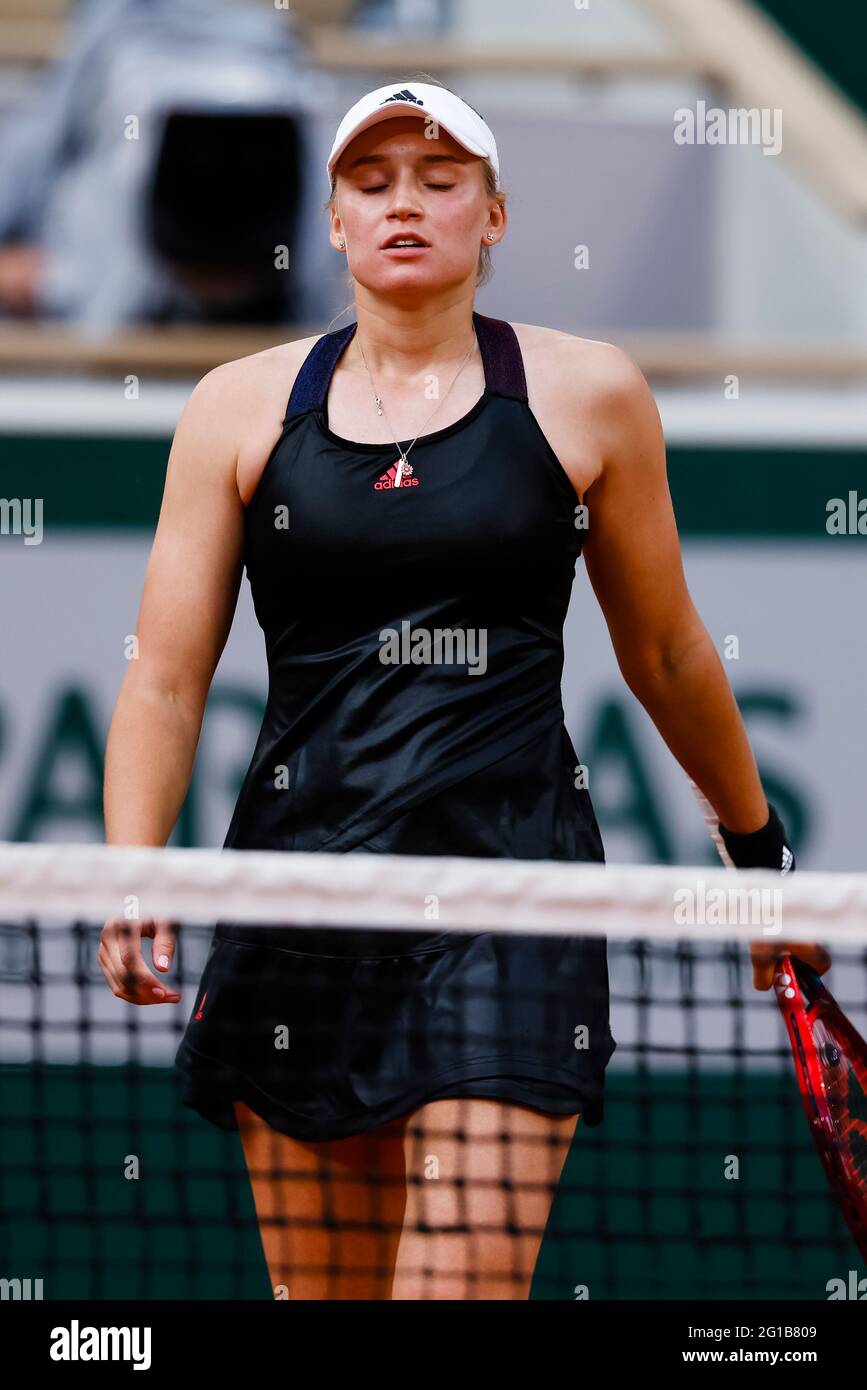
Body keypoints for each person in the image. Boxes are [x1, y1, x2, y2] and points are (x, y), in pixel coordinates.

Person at [99, 76, 829, 1300]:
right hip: (300, 898)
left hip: (512, 901)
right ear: (331, 219)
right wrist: (131, 867)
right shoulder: (234, 408)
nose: (405, 205)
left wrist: (760, 859)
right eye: (373, 183)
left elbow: (666, 652)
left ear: (493, 217)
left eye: (441, 182)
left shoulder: (589, 393)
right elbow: (164, 682)